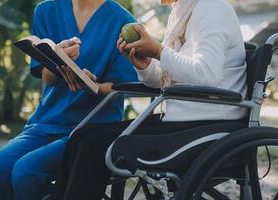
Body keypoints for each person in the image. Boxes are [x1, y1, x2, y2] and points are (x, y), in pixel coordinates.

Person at [54, 0, 248, 199]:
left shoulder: (211, 8)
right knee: (81, 137)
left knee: (93, 144)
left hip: (210, 125)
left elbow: (206, 73)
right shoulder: (183, 11)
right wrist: (144, 64)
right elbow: (164, 79)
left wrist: (158, 51)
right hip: (180, 121)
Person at [0, 0, 138, 199]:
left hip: (91, 127)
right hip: (46, 122)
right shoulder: (46, 11)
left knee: (26, 171)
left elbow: (122, 87)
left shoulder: (123, 22)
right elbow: (47, 78)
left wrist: (92, 87)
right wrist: (58, 59)